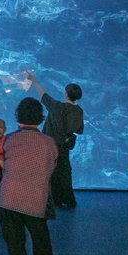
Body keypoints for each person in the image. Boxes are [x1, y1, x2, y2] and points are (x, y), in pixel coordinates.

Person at [0, 97, 58, 255]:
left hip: (10, 196)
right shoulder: (49, 142)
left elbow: (3, 163)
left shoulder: (10, 139)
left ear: (18, 117)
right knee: (40, 236)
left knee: (14, 242)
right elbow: (52, 166)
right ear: (40, 118)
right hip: (36, 197)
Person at [27, 73, 83, 207]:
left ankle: (55, 200)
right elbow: (78, 128)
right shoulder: (79, 111)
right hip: (65, 145)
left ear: (66, 94)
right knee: (65, 170)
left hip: (51, 144)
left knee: (52, 170)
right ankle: (68, 199)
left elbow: (43, 95)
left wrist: (34, 80)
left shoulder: (57, 107)